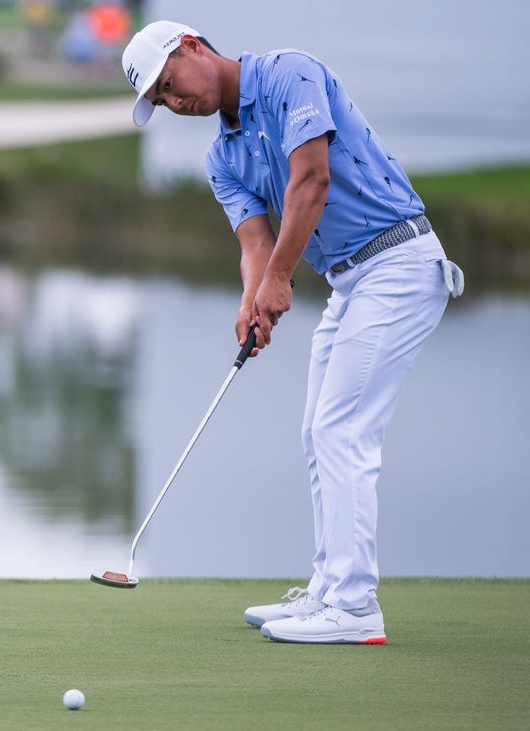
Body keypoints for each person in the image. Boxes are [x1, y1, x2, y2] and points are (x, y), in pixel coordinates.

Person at [121, 21, 463, 644]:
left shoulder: (288, 74)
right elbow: (254, 240)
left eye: (170, 85)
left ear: (193, 46)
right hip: (351, 282)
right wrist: (254, 298)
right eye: (163, 101)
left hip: (400, 263)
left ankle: (356, 608)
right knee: (318, 430)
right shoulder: (221, 156)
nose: (176, 103)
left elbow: (312, 179)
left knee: (342, 429)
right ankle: (330, 590)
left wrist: (279, 281)